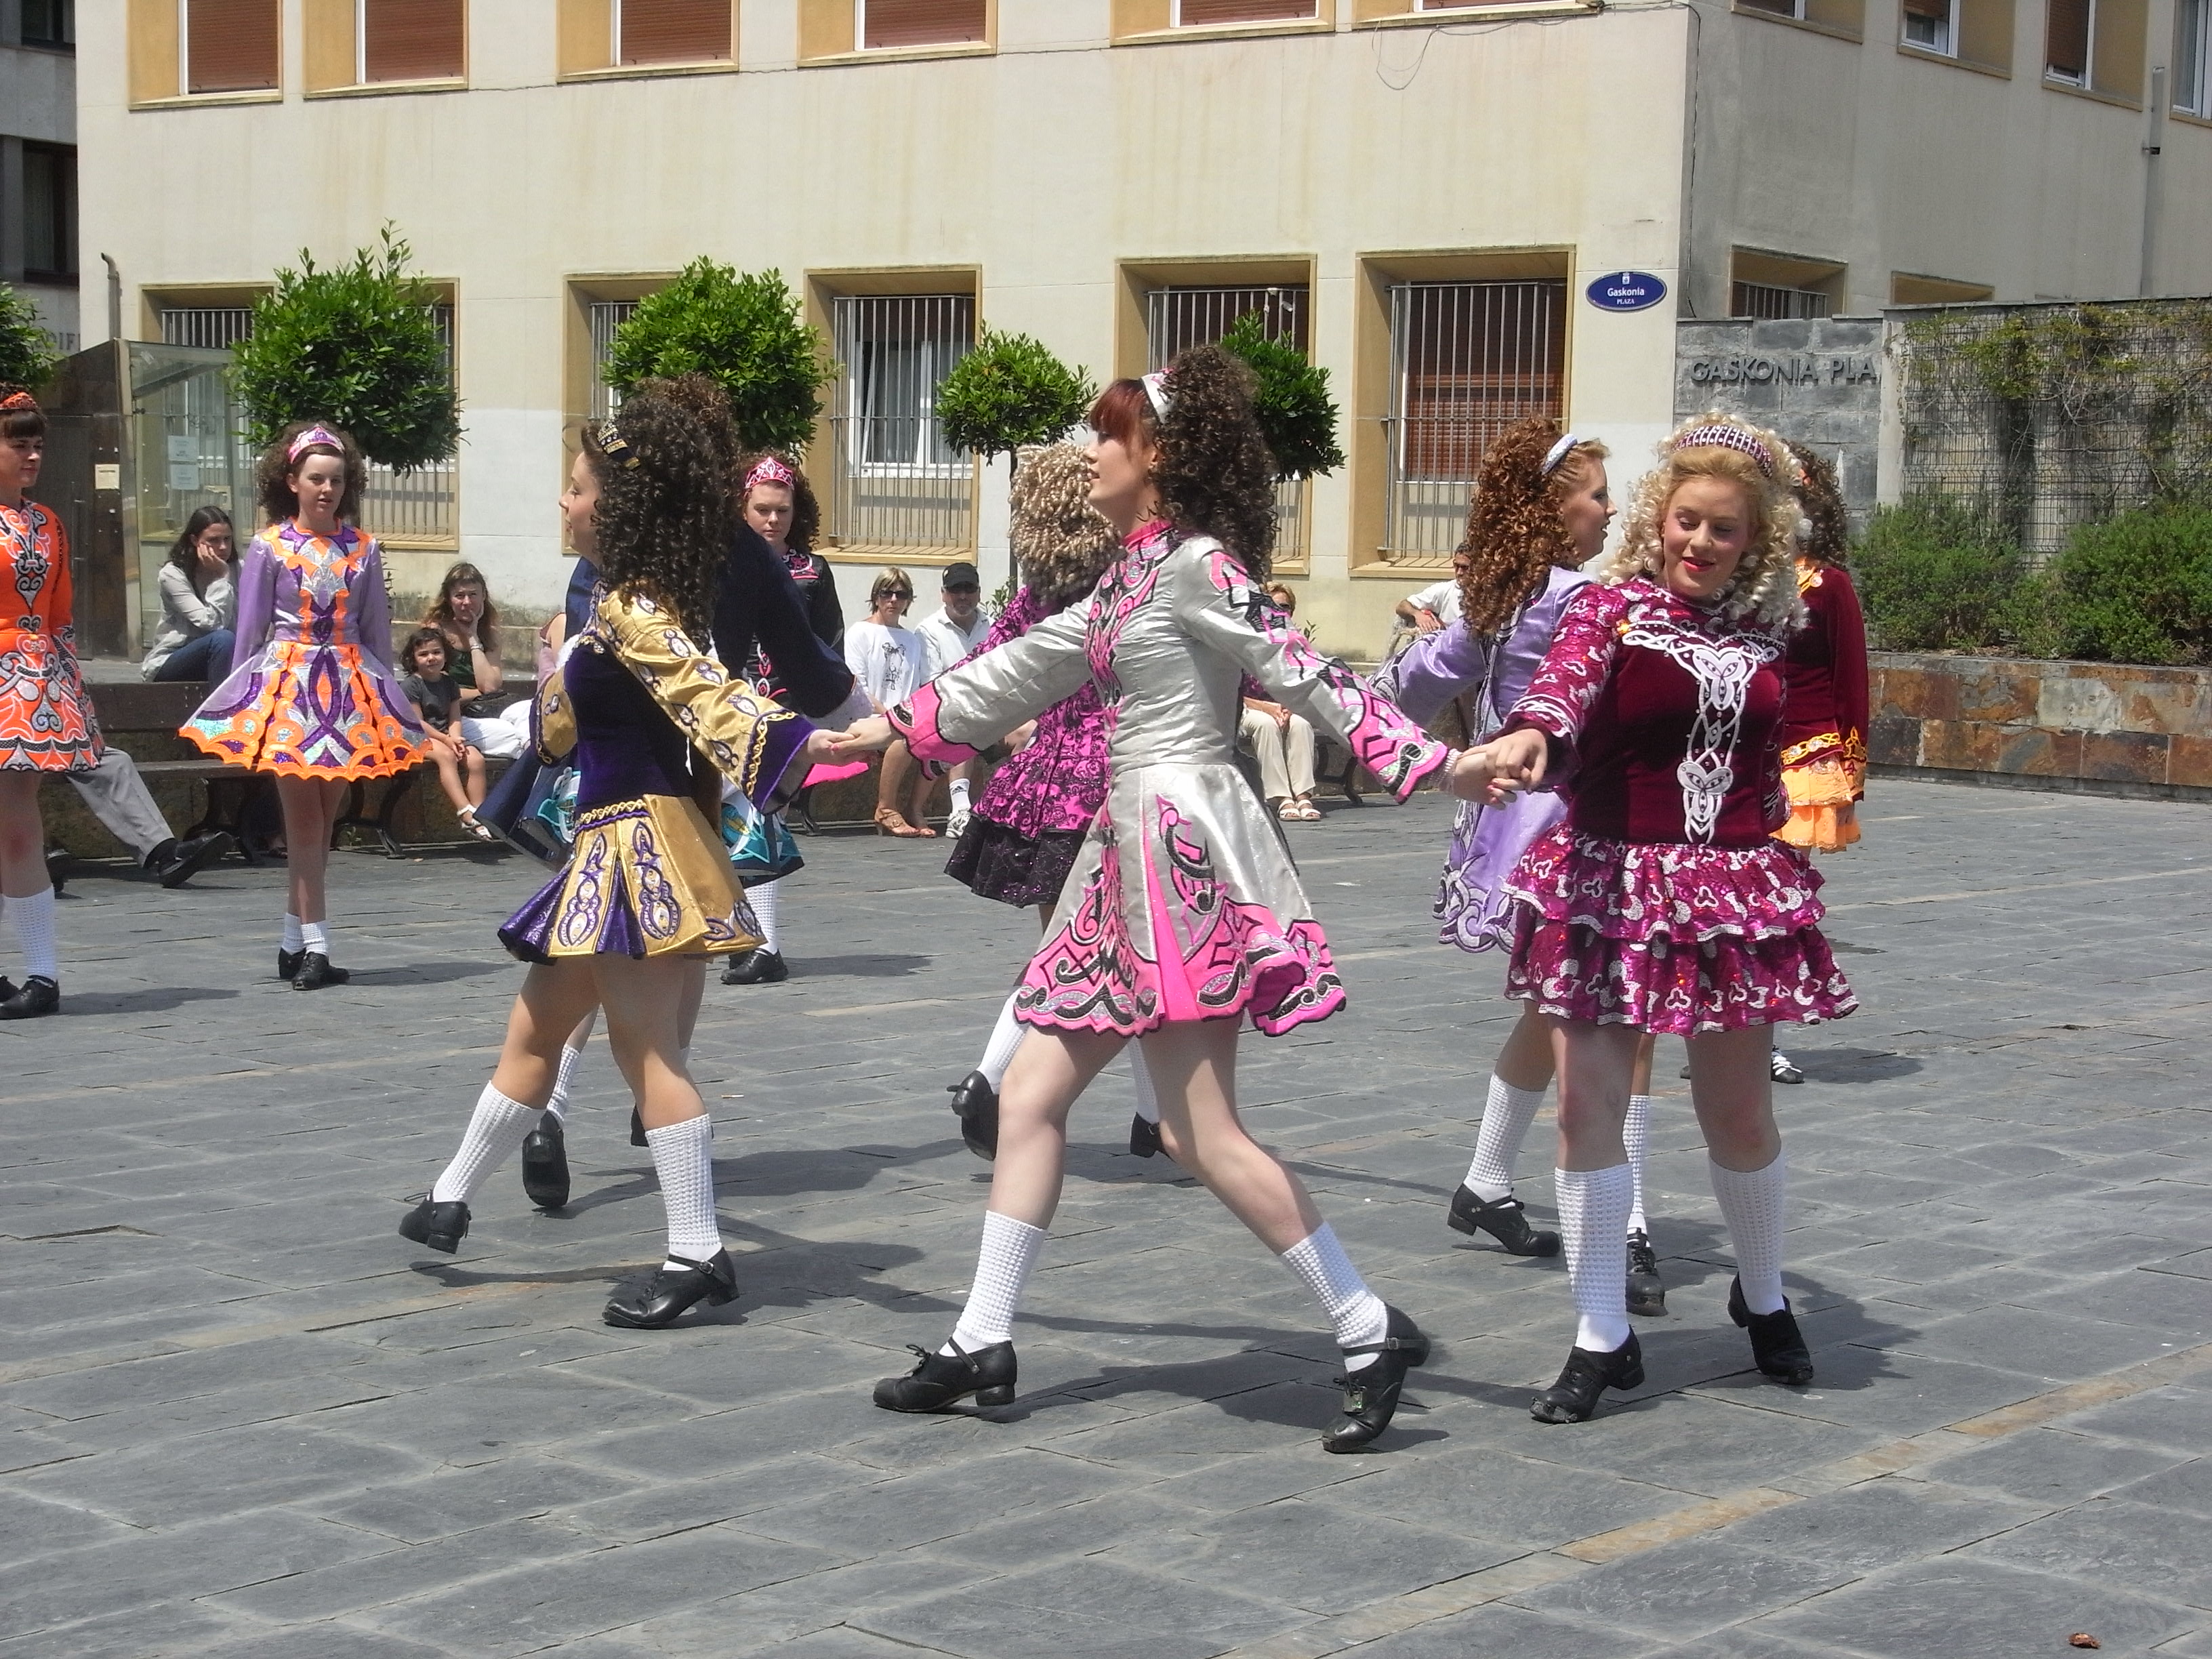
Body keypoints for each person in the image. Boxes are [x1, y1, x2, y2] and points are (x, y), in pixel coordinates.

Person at [834, 348, 1498, 1451]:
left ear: (1156, 452)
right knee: (1030, 1096)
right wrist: (886, 725)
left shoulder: (1195, 566)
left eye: (1106, 431)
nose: (1088, 450)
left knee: (1198, 1132)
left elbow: (1305, 673)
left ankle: (1363, 1320)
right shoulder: (1124, 576)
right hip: (1117, 854)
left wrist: (1434, 763)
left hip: (1178, 850)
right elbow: (1024, 665)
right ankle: (981, 1336)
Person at [400, 375, 844, 1329]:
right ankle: (447, 1197)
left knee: (646, 1053)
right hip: (620, 847)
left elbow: (712, 699)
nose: (564, 500)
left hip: (638, 850)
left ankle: (698, 1253)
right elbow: (558, 730)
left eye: (575, 486)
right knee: (534, 1034)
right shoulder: (613, 604)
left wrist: (834, 744)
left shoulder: (638, 607)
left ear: (614, 504)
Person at [1467, 413, 1856, 1423]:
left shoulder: (1777, 626)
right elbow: (1559, 688)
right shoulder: (1612, 609)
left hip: (1730, 888)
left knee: (1737, 1113)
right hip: (1610, 884)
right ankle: (1602, 1331)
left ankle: (1763, 1295)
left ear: (1753, 539)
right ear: (1660, 519)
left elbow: (1803, 729)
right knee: (1584, 1108)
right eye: (1686, 521)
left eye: (1722, 530)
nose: (1699, 543)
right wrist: (1533, 736)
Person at [1377, 419, 1664, 1317]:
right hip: (1576, 821)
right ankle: (1631, 1222)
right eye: (1593, 493)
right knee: (1624, 1018)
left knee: (1564, 1010)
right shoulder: (1585, 596)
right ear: (1550, 506)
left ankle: (1488, 1181)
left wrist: (1471, 625)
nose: (1610, 508)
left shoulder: (1507, 593)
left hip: (1516, 818)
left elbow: (1407, 691)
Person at [939, 443, 1163, 1163]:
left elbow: (982, 672)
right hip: (1112, 790)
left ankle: (1151, 1117)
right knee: (1123, 954)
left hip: (1046, 788)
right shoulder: (1127, 587)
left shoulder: (1034, 599)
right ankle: (992, 1075)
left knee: (1100, 956)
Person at [182, 421, 425, 990]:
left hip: (347, 694)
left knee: (321, 822)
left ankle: (294, 943)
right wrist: (239, 703)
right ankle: (316, 946)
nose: (327, 489)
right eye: (316, 478)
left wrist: (391, 703)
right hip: (289, 691)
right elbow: (248, 636)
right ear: (292, 480)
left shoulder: (363, 549)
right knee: (306, 823)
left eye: (336, 480)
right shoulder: (270, 546)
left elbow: (376, 635)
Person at [1767, 444, 1868, 1086]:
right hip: (1724, 759)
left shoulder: (1827, 584)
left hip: (1800, 758)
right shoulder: (1724, 575)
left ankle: (1760, 1034)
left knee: (1774, 901)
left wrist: (1849, 765)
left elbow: (1849, 676)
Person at [0, 388, 102, 1019]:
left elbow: (60, 615)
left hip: (32, 681)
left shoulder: (49, 524)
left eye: (38, 444)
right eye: (19, 443)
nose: (33, 455)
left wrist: (65, 685)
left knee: (17, 818)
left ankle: (42, 972)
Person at [717, 451, 836, 988]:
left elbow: (827, 644)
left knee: (762, 814)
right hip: (728, 705)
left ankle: (764, 944)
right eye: (762, 509)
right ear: (742, 507)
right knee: (736, 819)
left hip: (784, 712)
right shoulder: (725, 562)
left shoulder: (811, 571)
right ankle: (749, 938)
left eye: (782, 511)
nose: (772, 520)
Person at [844, 567, 933, 836]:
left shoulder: (913, 640)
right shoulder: (859, 632)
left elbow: (918, 686)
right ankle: (886, 808)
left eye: (901, 594)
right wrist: (890, 715)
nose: (894, 600)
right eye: (887, 593)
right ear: (876, 596)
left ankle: (916, 810)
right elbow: (857, 686)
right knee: (902, 736)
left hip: (905, 717)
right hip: (868, 718)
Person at [914, 561, 993, 838]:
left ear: (979, 592)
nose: (962, 596)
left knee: (1031, 733)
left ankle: (1006, 806)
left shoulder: (992, 627)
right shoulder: (928, 631)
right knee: (966, 723)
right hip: (946, 712)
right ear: (943, 594)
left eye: (968, 589)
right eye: (955, 590)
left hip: (995, 710)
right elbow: (932, 685)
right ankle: (960, 811)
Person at [398, 626, 493, 841]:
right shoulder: (412, 685)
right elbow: (417, 723)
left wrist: (456, 738)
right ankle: (464, 812)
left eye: (436, 652)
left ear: (445, 655)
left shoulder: (449, 684)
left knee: (475, 758)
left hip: (444, 736)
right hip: (416, 737)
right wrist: (446, 740)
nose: (431, 658)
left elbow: (455, 717)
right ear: (413, 659)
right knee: (446, 756)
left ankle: (479, 815)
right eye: (423, 654)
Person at [424, 561, 527, 759]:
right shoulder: (435, 633)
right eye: (459, 596)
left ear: (483, 596)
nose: (466, 602)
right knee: (513, 736)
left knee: (529, 713)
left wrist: (473, 638)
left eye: (473, 595)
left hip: (487, 707)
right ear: (448, 599)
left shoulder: (491, 633)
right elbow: (437, 693)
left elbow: (490, 685)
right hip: (455, 716)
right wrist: (476, 693)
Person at [1237, 582, 1321, 822]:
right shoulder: (1244, 641)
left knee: (1302, 723)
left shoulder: (1297, 645)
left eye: (1284, 607)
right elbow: (1232, 690)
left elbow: (1306, 683)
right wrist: (1267, 707)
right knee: (1266, 724)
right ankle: (1281, 797)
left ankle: (1303, 795)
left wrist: (1291, 706)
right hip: (1246, 707)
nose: (1279, 612)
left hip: (1286, 707)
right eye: (1272, 606)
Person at [142, 506, 239, 682]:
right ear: (195, 540)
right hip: (173, 659)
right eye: (214, 540)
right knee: (223, 639)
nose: (223, 547)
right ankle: (221, 710)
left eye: (227, 539)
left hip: (225, 658)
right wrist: (221, 579)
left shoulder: (240, 569)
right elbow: (211, 623)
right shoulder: (172, 574)